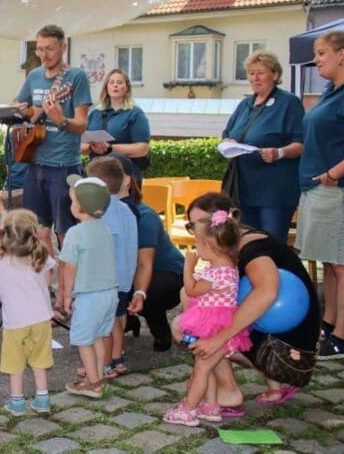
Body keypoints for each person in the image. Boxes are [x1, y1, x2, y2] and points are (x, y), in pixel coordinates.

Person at [188, 193, 320, 411]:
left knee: (192, 326)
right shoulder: (237, 242)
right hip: (288, 344)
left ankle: (229, 392)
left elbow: (267, 293)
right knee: (203, 308)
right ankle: (274, 385)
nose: (196, 232)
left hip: (288, 355)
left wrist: (217, 339)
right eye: (192, 225)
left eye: (201, 224)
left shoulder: (252, 249)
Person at [295, 31, 344, 359]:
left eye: (322, 53)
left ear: (343, 54)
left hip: (340, 190)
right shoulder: (333, 90)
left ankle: (342, 336)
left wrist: (333, 174)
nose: (316, 60)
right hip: (319, 189)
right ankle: (329, 325)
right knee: (329, 262)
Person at [15, 24, 91, 309]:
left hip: (63, 166)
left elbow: (82, 124)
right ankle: (45, 294)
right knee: (40, 232)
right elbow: (19, 103)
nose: (44, 54)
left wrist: (60, 119)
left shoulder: (76, 78)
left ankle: (67, 295)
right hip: (35, 163)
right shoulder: (34, 76)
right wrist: (23, 110)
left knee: (66, 234)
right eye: (40, 49)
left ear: (63, 47)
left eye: (49, 48)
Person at [163, 210, 252, 426]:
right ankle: (210, 406)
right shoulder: (226, 267)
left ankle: (188, 408)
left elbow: (192, 290)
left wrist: (188, 267)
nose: (195, 248)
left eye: (198, 244)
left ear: (211, 247)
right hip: (216, 324)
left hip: (215, 327)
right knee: (207, 366)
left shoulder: (217, 273)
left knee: (201, 368)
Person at [221, 50, 304, 241]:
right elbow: (227, 134)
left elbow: (302, 143)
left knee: (271, 243)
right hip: (244, 189)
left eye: (260, 73)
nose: (255, 78)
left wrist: (279, 152)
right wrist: (228, 143)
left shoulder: (288, 103)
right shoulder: (245, 104)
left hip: (274, 192)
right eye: (251, 73)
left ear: (274, 74)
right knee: (248, 243)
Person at [0, 209, 55, 415]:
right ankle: (43, 399)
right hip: (42, 318)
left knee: (15, 363)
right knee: (40, 360)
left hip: (15, 321)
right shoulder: (41, 256)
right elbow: (47, 282)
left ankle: (17, 402)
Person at [60, 176, 118, 398]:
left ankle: (93, 384)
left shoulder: (75, 233)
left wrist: (66, 295)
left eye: (73, 201)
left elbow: (69, 267)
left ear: (79, 207)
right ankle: (98, 377)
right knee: (98, 337)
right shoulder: (104, 228)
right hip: (109, 293)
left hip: (88, 295)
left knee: (83, 340)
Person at [123, 154, 185, 352]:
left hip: (168, 273)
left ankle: (161, 332)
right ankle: (127, 321)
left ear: (126, 181)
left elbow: (145, 263)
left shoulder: (144, 216)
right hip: (131, 269)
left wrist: (139, 292)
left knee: (150, 289)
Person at [86, 156, 138, 377]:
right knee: (116, 319)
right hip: (125, 278)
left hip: (108, 281)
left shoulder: (103, 214)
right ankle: (116, 358)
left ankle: (103, 366)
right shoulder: (127, 209)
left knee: (103, 326)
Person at [83, 69, 151, 183]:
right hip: (96, 178)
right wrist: (92, 147)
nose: (115, 85)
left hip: (125, 179)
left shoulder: (135, 114)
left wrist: (109, 148)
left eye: (119, 83)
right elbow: (80, 145)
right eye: (111, 82)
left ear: (127, 88)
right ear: (106, 87)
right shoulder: (95, 114)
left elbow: (142, 149)